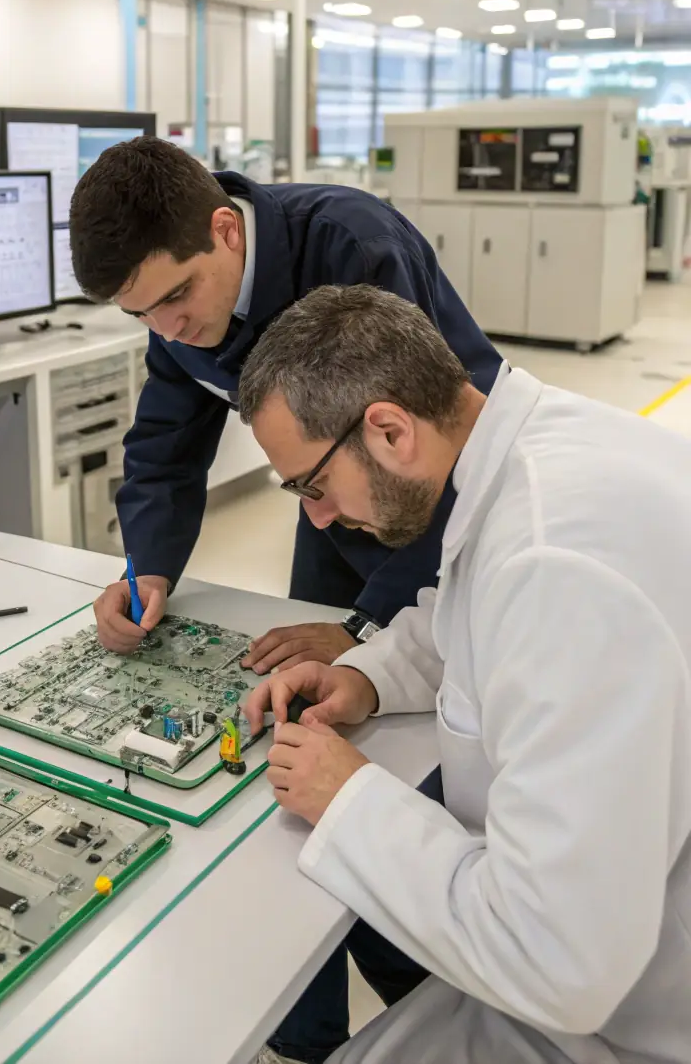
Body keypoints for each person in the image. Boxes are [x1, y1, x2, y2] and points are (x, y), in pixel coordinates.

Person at [239, 284, 691, 1064]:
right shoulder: (533, 452)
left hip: (622, 1012)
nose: (314, 518)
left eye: (311, 486)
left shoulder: (556, 566)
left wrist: (347, 796)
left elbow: (560, 961)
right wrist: (368, 676)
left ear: (387, 429)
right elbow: (471, 610)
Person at [69, 136, 501, 670]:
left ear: (225, 230)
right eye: (141, 315)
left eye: (176, 297)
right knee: (310, 677)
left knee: (447, 682)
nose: (168, 331)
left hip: (449, 504)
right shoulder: (174, 312)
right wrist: (146, 571)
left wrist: (367, 624)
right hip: (334, 504)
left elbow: (431, 450)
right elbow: (166, 447)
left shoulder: (353, 244)